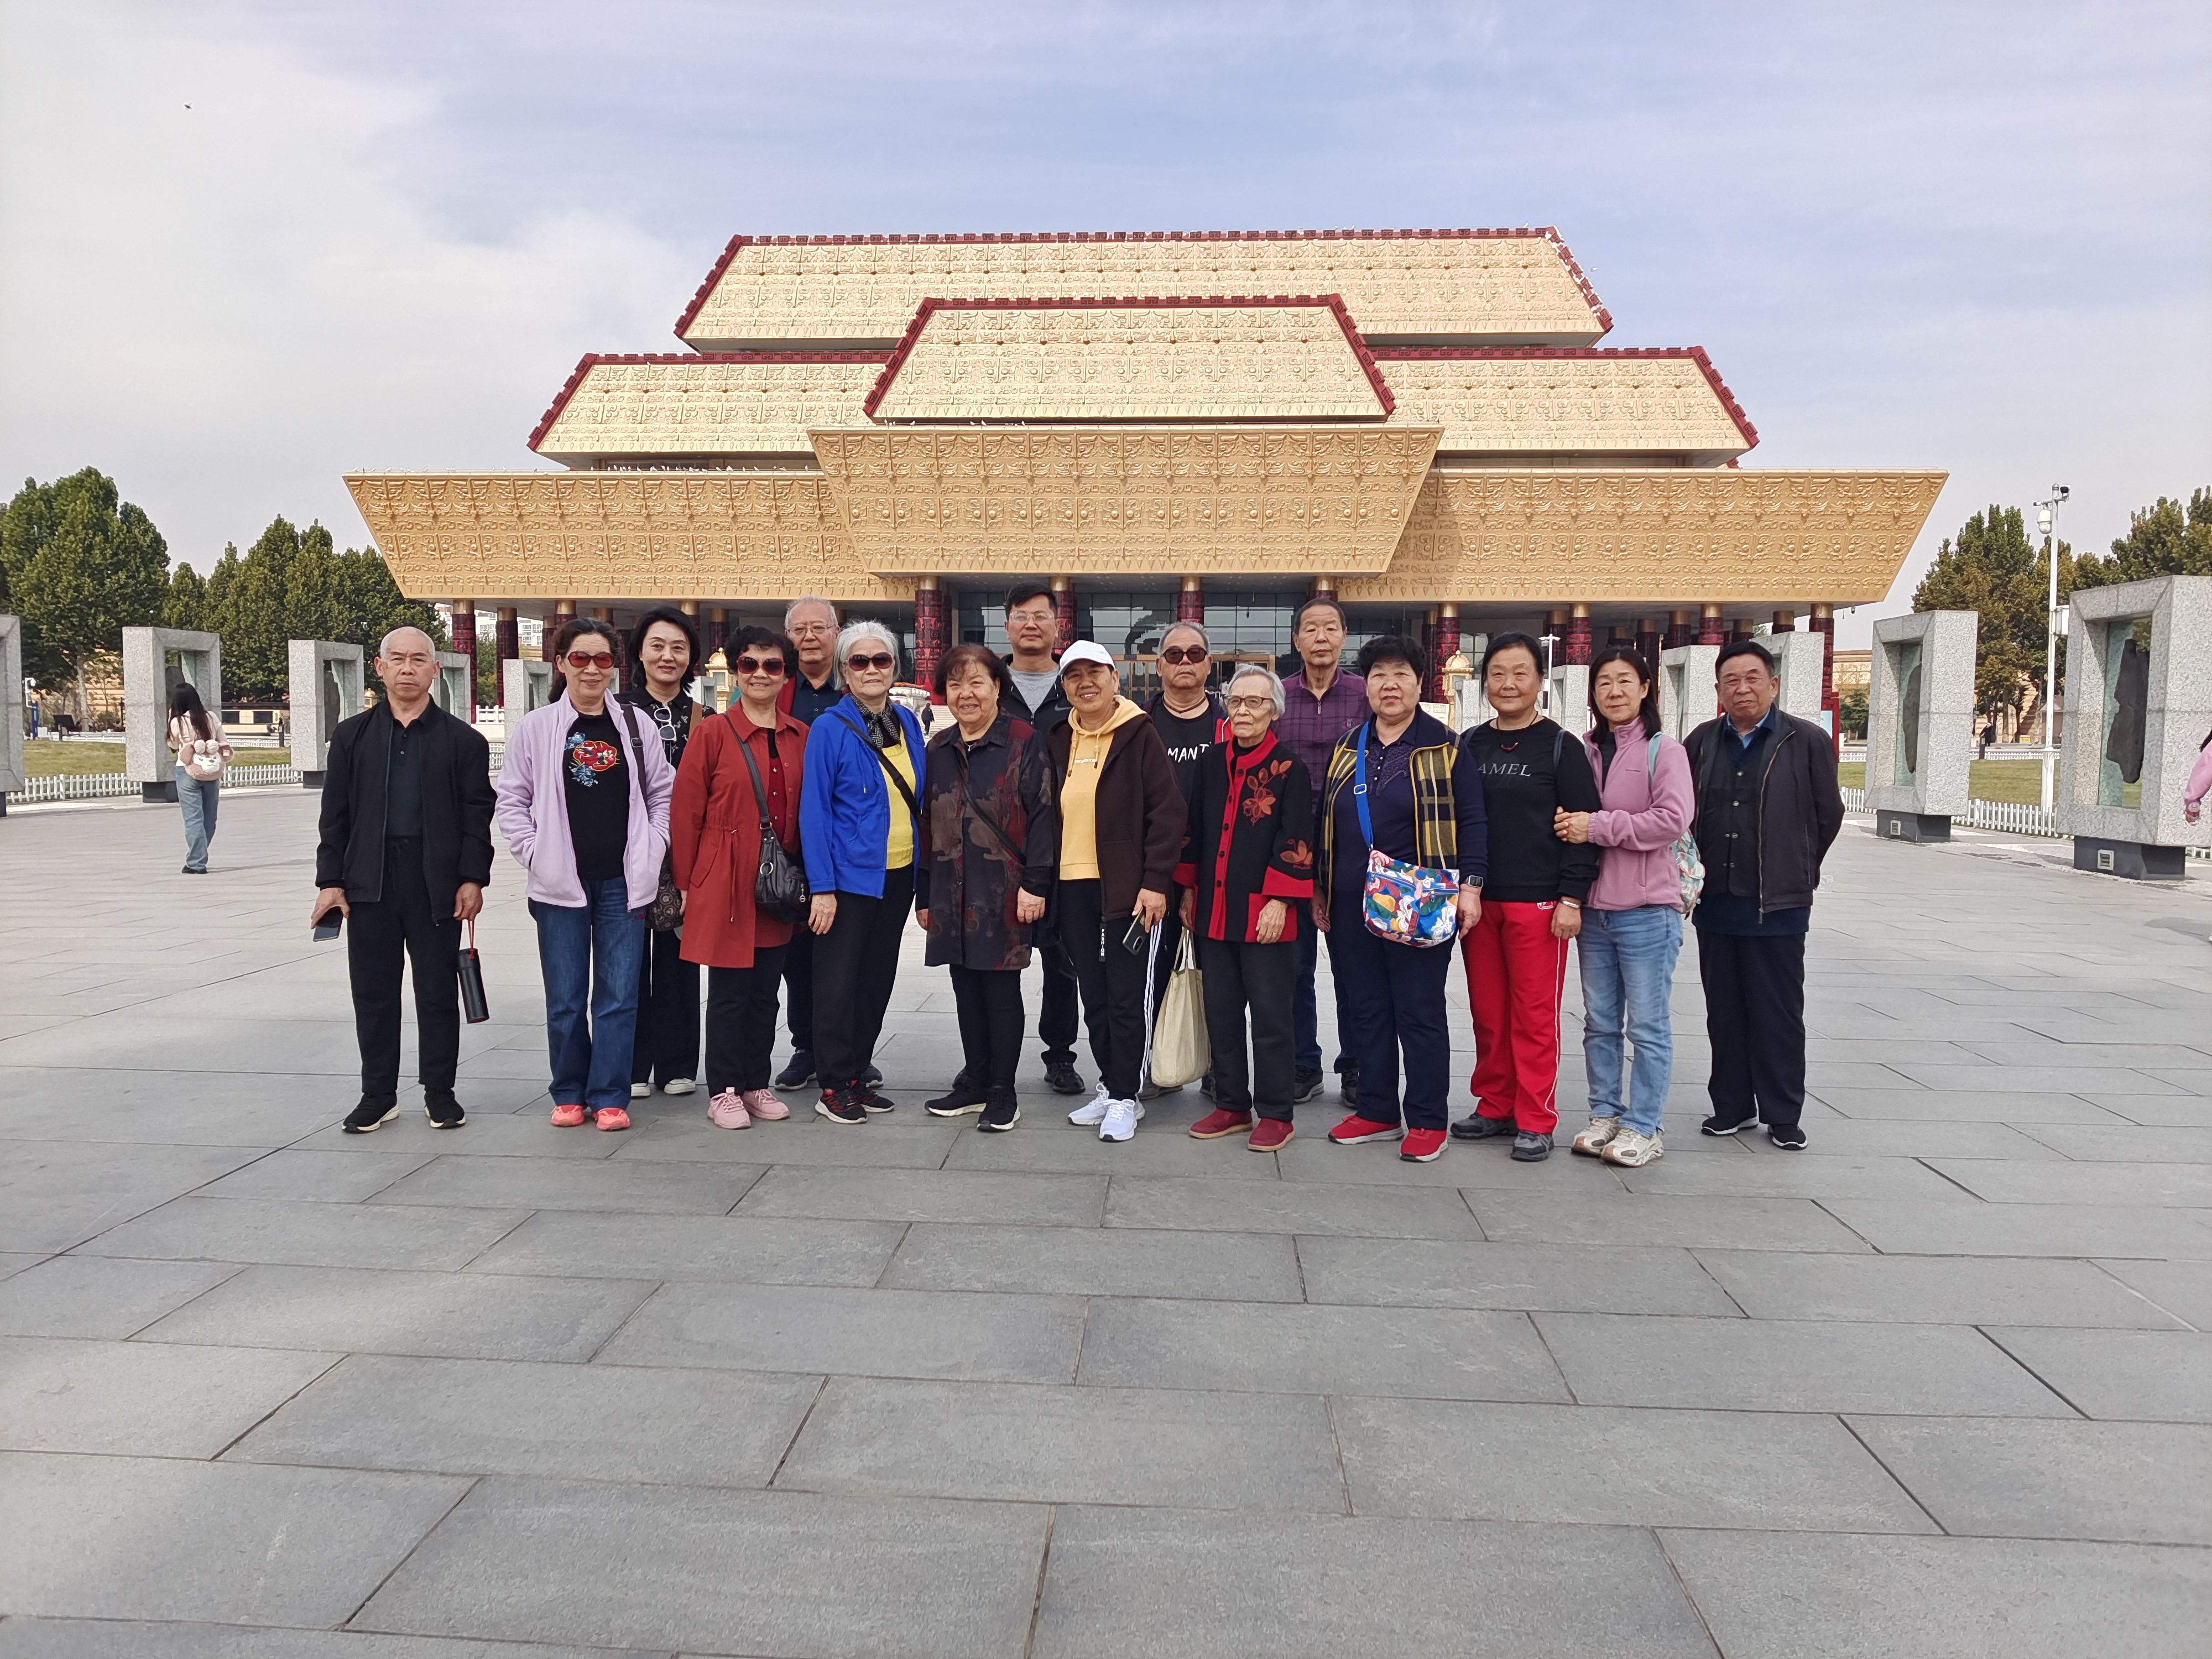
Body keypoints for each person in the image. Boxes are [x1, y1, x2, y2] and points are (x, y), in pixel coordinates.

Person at [494, 618, 675, 1131]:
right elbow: (512, 800)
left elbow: (663, 791)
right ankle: (570, 1091)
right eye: (580, 658)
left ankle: (611, 1095)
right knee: (566, 999)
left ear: (614, 666)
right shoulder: (537, 728)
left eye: (602, 659)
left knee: (618, 997)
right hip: (559, 885)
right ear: (561, 663)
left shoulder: (636, 725)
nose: (592, 669)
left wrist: (655, 845)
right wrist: (535, 853)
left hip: (624, 883)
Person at [314, 625, 495, 1133]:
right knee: (373, 993)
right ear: (380, 667)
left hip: (436, 881)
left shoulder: (463, 741)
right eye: (398, 659)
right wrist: (330, 881)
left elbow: (477, 816)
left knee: (436, 992)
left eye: (419, 659)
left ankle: (440, 1093)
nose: (408, 668)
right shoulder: (352, 737)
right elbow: (335, 816)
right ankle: (378, 1094)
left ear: (435, 670)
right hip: (370, 879)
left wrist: (472, 878)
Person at [1316, 636, 1486, 1164]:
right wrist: (1320, 887)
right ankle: (1377, 1110)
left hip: (1422, 900)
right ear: (1366, 686)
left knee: (1419, 1009)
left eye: (1401, 675)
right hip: (1350, 900)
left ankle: (1428, 1118)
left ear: (1419, 683)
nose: (1389, 685)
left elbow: (1473, 820)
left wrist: (1471, 888)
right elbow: (1326, 819)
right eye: (1378, 676)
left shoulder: (1445, 746)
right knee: (1364, 1008)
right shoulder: (1349, 746)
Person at [1682, 639, 1844, 1150]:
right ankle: (1731, 1107)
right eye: (1731, 680)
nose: (1742, 688)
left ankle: (1783, 1112)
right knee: (1725, 1010)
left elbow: (1828, 814)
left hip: (1777, 905)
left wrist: (1797, 865)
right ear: (1718, 690)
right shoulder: (1701, 741)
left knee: (1778, 1011)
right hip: (1717, 902)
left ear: (1773, 684)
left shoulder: (1806, 739)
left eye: (1753, 678)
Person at [1449, 632, 1602, 1163]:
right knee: (1488, 1012)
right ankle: (1495, 1105)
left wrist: (1572, 898)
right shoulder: (1469, 744)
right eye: (1497, 673)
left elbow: (1582, 827)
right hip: (1479, 902)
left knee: (1534, 1017)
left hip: (1539, 904)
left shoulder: (1561, 747)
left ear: (1540, 681)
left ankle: (1536, 1117)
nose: (1508, 683)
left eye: (1520, 673)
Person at [1552, 645, 1693, 1167]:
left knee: (1648, 1026)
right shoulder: (1584, 751)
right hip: (1593, 910)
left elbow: (1671, 821)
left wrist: (1597, 826)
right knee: (1600, 1022)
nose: (1614, 691)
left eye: (1624, 681)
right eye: (1604, 683)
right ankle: (1605, 1114)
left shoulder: (1664, 751)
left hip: (1647, 910)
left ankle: (1644, 1125)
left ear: (1646, 688)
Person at [916, 644, 1058, 1131]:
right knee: (964, 985)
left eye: (977, 682)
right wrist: (924, 896)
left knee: (999, 989)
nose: (966, 693)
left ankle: (1003, 1090)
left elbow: (1043, 816)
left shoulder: (1023, 741)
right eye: (956, 684)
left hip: (1004, 890)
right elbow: (927, 825)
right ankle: (975, 1080)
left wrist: (1037, 884)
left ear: (997, 687)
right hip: (950, 890)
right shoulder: (939, 747)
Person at [1049, 641, 1187, 1143]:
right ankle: (1111, 1085)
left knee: (1129, 996)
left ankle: (1129, 1095)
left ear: (1115, 679)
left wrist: (1155, 882)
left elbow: (1168, 813)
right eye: (1074, 676)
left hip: (1129, 890)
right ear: (1065, 686)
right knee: (1096, 995)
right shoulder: (1058, 738)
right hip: (1073, 887)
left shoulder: (1138, 733)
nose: (1085, 683)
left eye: (1095, 673)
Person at [670, 625, 807, 1130]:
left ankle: (755, 1082)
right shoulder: (712, 733)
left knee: (766, 991)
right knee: (730, 991)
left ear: (786, 675)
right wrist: (686, 884)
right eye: (749, 664)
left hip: (776, 882)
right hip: (723, 876)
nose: (760, 674)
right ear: (736, 671)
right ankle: (724, 1090)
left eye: (772, 665)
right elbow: (686, 811)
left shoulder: (800, 735)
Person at [1177, 665, 1313, 1151]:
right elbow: (1194, 829)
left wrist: (1281, 900)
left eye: (1255, 702)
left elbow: (1296, 839)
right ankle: (1232, 1104)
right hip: (1214, 909)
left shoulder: (1290, 769)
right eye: (1236, 701)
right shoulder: (1212, 762)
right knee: (1222, 1012)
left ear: (1274, 711)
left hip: (1265, 914)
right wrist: (1188, 890)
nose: (1243, 711)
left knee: (1272, 1017)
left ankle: (1276, 1112)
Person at [797, 619, 928, 1124]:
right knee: (837, 983)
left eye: (881, 660)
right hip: (847, 878)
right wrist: (822, 887)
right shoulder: (830, 728)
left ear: (894, 667)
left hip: (897, 874)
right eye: (860, 661)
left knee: (876, 979)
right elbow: (814, 811)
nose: (872, 669)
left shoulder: (908, 722)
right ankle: (832, 1083)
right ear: (844, 671)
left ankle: (856, 1073)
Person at [1276, 596, 1368, 1108]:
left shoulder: (1364, 694)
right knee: (1293, 968)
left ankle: (1355, 1064)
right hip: (1290, 849)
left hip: (1350, 850)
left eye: (1330, 628)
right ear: (1296, 640)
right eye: (1310, 628)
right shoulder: (1279, 696)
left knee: (1353, 968)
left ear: (1343, 636)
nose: (1321, 637)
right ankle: (1302, 1064)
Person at [999, 581, 1086, 1097]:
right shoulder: (990, 684)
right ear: (1007, 625)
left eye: (1041, 616)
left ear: (1058, 625)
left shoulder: (1076, 686)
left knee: (1063, 963)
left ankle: (1061, 1056)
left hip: (1065, 846)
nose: (1031, 624)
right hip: (998, 848)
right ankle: (993, 1062)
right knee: (997, 962)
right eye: (1021, 616)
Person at [620, 606, 704, 1100]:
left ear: (691, 657)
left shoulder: (703, 718)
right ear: (640, 653)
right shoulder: (615, 711)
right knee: (626, 962)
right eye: (657, 646)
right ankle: (632, 1062)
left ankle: (677, 1063)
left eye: (678, 647)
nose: (667, 656)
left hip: (685, 856)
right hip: (628, 853)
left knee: (679, 960)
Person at [1143, 618, 1228, 1098]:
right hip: (1153, 871)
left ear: (1208, 665)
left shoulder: (1229, 724)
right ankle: (1158, 1065)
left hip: (1217, 871)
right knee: (1152, 970)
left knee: (1218, 974)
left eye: (1194, 654)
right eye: (1174, 655)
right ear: (1160, 666)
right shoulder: (1137, 723)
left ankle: (1217, 1068)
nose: (1184, 663)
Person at [771, 596, 848, 1091]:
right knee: (797, 958)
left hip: (851, 845)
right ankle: (806, 1048)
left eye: (819, 628)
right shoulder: (776, 690)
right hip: (792, 844)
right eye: (800, 630)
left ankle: (849, 1049)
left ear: (836, 633)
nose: (810, 637)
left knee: (849, 956)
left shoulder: (857, 685)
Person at [167, 682, 231, 874]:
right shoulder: (211, 717)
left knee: (193, 818)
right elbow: (223, 740)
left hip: (186, 770)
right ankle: (198, 857)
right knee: (209, 818)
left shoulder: (177, 721)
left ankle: (196, 862)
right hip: (211, 770)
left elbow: (173, 745)